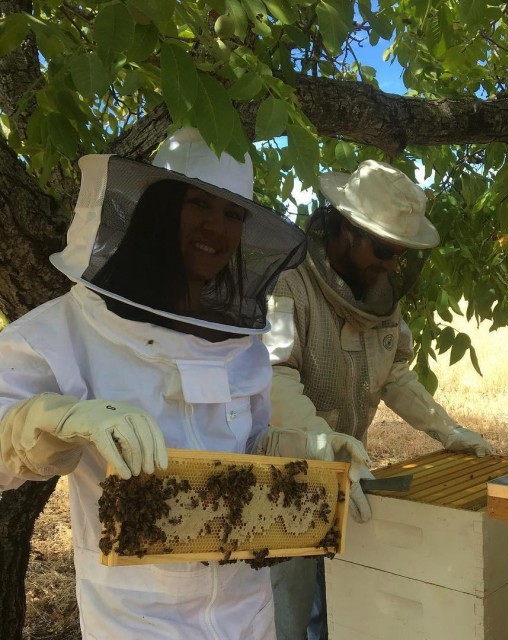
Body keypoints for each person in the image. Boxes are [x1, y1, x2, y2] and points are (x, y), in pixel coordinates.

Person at [0, 126, 314, 639]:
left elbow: (250, 444)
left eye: (233, 214)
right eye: (199, 205)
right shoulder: (68, 329)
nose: (218, 226)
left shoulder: (241, 343)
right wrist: (59, 419)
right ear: (161, 210)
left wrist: (299, 447)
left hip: (246, 609)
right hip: (137, 616)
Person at [261, 159, 493, 640]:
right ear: (347, 230)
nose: (392, 264)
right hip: (286, 479)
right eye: (385, 249)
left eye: (399, 254)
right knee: (289, 613)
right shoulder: (289, 284)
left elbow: (395, 376)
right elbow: (274, 375)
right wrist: (321, 444)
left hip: (348, 475)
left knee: (343, 608)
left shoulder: (378, 292)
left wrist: (446, 429)